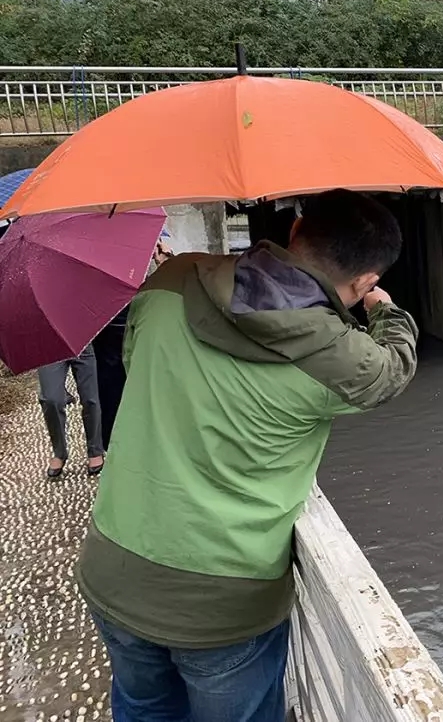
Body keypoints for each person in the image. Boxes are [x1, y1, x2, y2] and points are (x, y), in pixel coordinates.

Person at [77, 190, 418, 722]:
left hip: (113, 567)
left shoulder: (170, 282)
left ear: (295, 232)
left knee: (143, 711)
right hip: (223, 606)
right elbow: (394, 367)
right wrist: (384, 309)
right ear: (363, 282)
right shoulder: (343, 361)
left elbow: (134, 359)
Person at [92, 238, 173, 450]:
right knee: (116, 380)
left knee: (132, 376)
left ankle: (122, 442)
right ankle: (119, 441)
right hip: (112, 311)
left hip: (126, 303)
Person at [39, 346, 106, 478]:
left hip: (83, 342)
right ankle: (59, 452)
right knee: (50, 400)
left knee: (90, 399)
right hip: (49, 347)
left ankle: (95, 450)